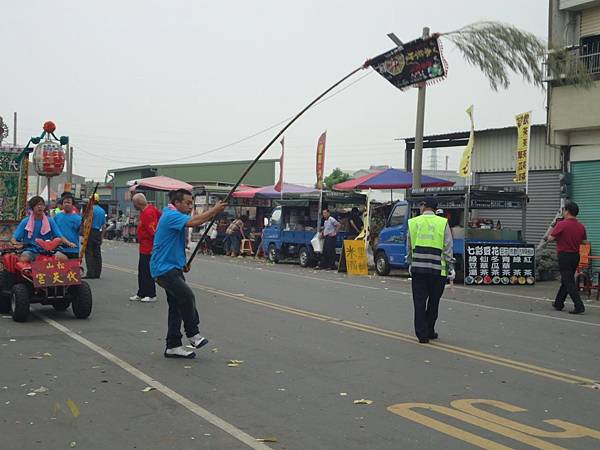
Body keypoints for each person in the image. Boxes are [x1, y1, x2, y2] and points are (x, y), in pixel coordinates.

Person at [150, 189, 227, 358]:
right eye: (187, 203)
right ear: (177, 203)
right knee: (187, 296)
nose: (190, 206)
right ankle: (193, 334)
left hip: (172, 267)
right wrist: (214, 210)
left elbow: (172, 243)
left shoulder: (174, 215)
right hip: (163, 269)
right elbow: (195, 221)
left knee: (176, 307)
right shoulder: (171, 215)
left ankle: (173, 346)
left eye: (192, 203)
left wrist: (182, 263)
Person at [407, 197, 455, 343]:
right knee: (434, 302)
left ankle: (422, 334)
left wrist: (410, 262)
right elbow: (448, 247)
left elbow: (409, 246)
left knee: (419, 301)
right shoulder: (442, 223)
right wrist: (450, 266)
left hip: (418, 269)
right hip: (437, 271)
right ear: (435, 209)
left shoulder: (413, 222)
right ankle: (430, 330)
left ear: (424, 206)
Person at [547, 201, 587, 314]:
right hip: (575, 255)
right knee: (566, 279)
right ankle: (559, 303)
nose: (563, 212)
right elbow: (584, 242)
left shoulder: (562, 224)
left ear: (567, 211)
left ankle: (579, 305)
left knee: (569, 281)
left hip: (564, 255)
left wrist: (555, 229)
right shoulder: (581, 226)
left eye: (564, 210)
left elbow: (550, 238)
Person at [10, 196, 76, 262]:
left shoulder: (50, 221)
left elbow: (60, 236)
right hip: (31, 250)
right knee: (24, 258)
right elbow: (14, 238)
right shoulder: (25, 221)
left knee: (63, 258)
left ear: (44, 207)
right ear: (32, 208)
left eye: (41, 205)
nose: (40, 207)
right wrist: (15, 244)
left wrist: (69, 243)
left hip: (48, 251)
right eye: (37, 205)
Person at [130, 193, 161, 303]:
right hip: (144, 246)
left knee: (147, 271)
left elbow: (153, 231)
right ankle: (141, 292)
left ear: (139, 203)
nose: (133, 205)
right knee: (142, 270)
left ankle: (151, 294)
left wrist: (155, 246)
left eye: (134, 203)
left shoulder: (148, 212)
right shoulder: (146, 211)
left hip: (149, 247)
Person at [53, 193, 82, 260]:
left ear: (72, 205)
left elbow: (82, 232)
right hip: (60, 249)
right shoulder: (57, 216)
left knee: (72, 270)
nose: (66, 204)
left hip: (73, 249)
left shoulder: (78, 218)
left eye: (68, 202)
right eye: (65, 202)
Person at [85, 194, 107, 279]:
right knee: (97, 253)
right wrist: (101, 237)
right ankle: (97, 273)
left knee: (89, 252)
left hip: (90, 232)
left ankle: (90, 273)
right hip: (98, 232)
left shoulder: (90, 210)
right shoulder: (102, 211)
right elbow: (104, 226)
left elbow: (86, 222)